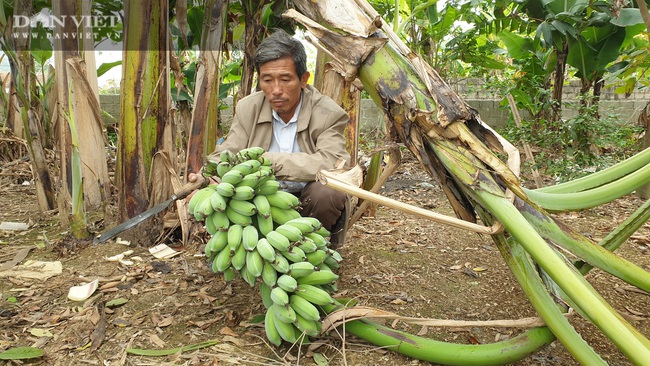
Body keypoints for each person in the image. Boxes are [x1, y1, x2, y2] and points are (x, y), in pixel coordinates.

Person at [196, 29, 350, 243]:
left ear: (304, 79)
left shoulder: (328, 113)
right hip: (258, 196)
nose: (276, 90)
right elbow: (228, 152)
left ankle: (312, 247)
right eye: (267, 80)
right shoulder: (248, 108)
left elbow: (334, 163)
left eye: (285, 79)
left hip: (307, 198)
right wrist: (206, 174)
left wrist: (265, 160)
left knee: (327, 193)